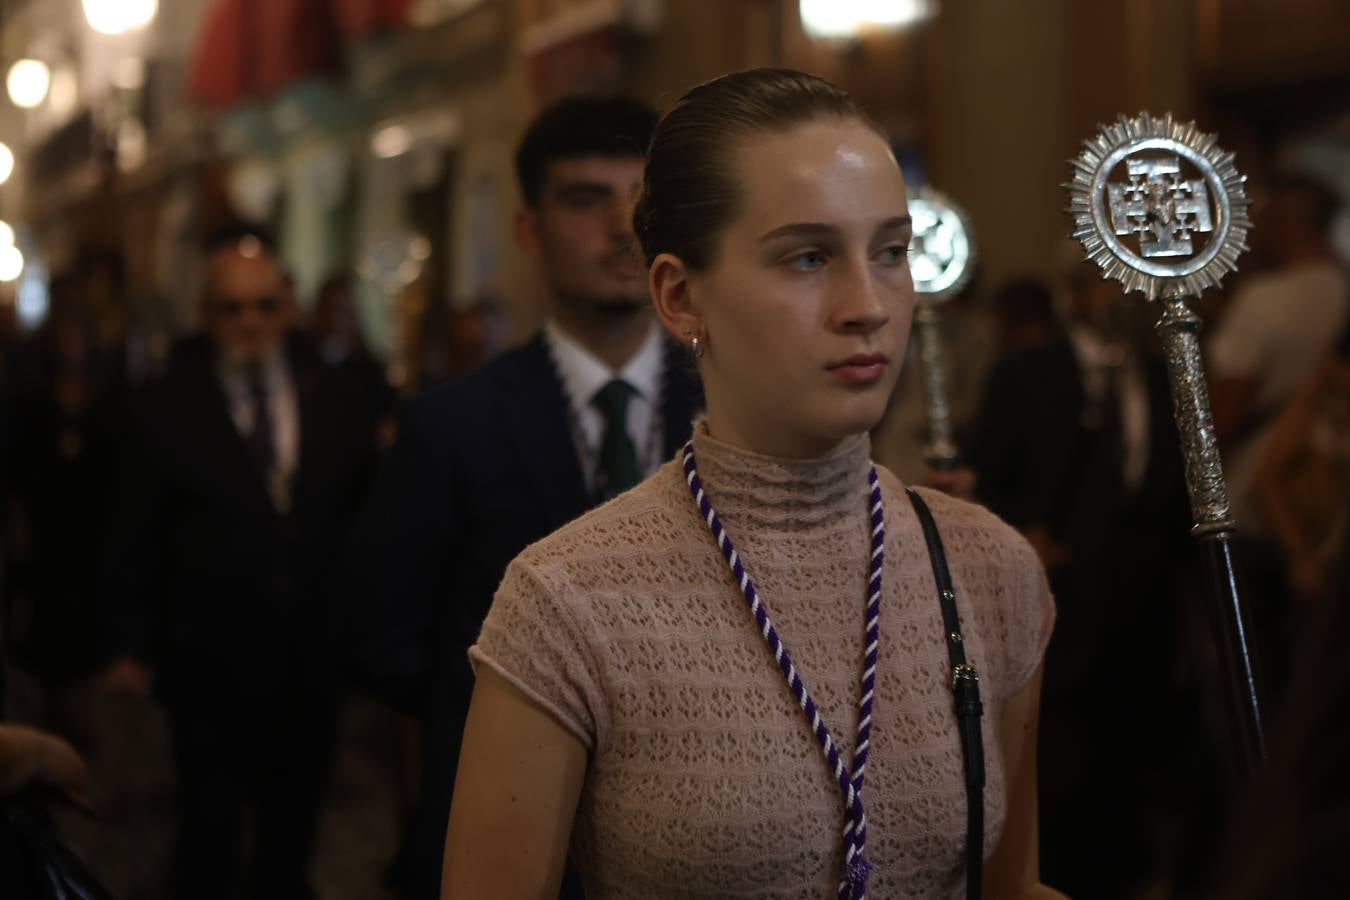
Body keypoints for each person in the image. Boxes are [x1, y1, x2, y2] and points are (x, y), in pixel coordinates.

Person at [443, 68, 1061, 899]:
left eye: (890, 251)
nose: (867, 304)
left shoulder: (989, 567)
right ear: (678, 294)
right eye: (808, 257)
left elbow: (1012, 886)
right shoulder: (568, 600)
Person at [352, 96, 702, 899]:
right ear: (528, 229)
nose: (623, 226)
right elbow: (384, 640)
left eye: (641, 200)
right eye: (586, 200)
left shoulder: (732, 411)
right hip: (505, 839)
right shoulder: (452, 426)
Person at [97, 227, 383, 900]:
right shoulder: (164, 406)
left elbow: (359, 515)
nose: (250, 322)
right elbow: (131, 530)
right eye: (233, 308)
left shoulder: (334, 394)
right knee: (210, 831)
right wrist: (125, 642)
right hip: (207, 659)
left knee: (294, 830)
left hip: (311, 657)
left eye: (263, 306)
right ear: (207, 314)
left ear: (285, 308)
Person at [969, 260, 1193, 898]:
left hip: (1141, 604)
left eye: (1133, 285)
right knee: (1059, 757)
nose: (1120, 297)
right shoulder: (1027, 374)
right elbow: (989, 476)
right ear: (1074, 290)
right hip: (1059, 597)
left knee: (1134, 754)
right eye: (1105, 281)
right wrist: (1022, 535)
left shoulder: (1164, 373)